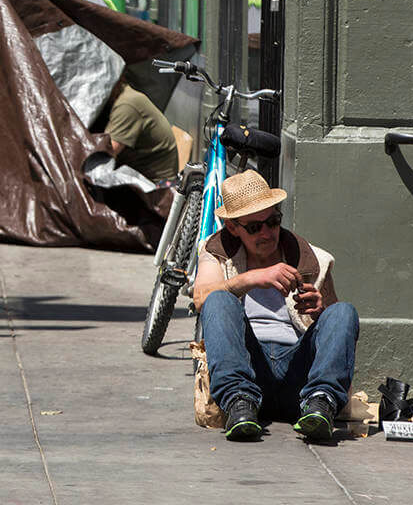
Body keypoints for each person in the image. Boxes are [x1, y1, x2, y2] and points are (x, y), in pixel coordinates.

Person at [193, 170, 359, 442]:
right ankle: (238, 403)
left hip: (299, 374)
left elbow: (336, 331)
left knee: (343, 312)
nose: (267, 233)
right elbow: (201, 298)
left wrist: (320, 310)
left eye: (273, 222)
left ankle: (321, 404)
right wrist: (251, 279)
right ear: (233, 228)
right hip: (248, 367)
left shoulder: (311, 258)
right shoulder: (217, 252)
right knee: (218, 300)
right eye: (254, 227)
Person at [102, 75, 179, 182]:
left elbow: (105, 154)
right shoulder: (122, 94)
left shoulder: (126, 106)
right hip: (139, 174)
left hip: (154, 185)